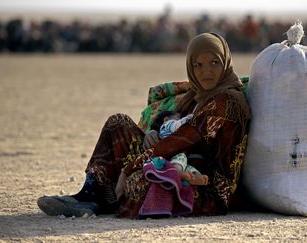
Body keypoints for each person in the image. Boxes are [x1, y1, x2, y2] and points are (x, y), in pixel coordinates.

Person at [37, 32, 251, 218]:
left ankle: (108, 198)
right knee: (118, 123)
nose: (206, 72)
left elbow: (183, 139)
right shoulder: (195, 96)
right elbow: (171, 123)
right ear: (190, 67)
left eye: (214, 62)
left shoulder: (227, 101)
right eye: (198, 65)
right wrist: (152, 132)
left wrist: (129, 169)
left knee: (137, 183)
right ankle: (89, 194)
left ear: (225, 62)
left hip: (204, 185)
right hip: (173, 162)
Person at [149, 110, 208, 186]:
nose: (181, 118)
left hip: (174, 158)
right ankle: (177, 173)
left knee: (187, 166)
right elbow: (178, 125)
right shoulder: (167, 124)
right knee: (181, 157)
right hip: (172, 152)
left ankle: (194, 177)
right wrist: (190, 117)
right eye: (179, 117)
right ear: (166, 119)